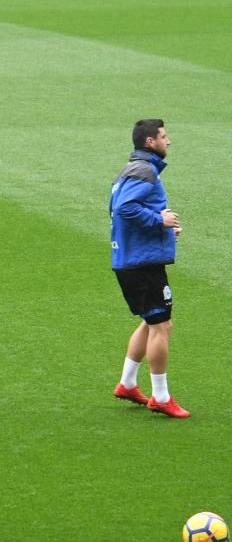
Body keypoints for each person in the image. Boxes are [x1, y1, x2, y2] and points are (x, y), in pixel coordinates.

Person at [110, 119, 188, 418]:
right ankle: (161, 396)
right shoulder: (144, 170)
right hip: (140, 263)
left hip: (136, 258)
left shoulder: (132, 170)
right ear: (149, 142)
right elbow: (125, 209)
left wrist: (164, 228)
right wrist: (159, 221)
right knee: (161, 326)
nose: (168, 142)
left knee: (150, 321)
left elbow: (125, 210)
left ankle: (128, 383)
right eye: (164, 137)